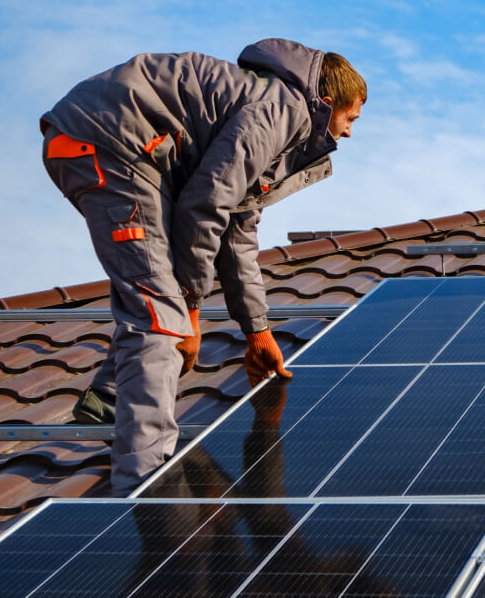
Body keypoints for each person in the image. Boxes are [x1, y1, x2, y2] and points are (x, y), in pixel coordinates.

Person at [40, 38, 366, 495]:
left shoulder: (273, 119)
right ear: (327, 102)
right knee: (162, 315)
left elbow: (236, 231)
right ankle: (150, 487)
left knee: (153, 282)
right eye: (350, 119)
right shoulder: (281, 111)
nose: (350, 133)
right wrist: (191, 309)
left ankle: (109, 397)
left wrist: (257, 331)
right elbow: (205, 204)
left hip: (116, 145)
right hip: (114, 142)